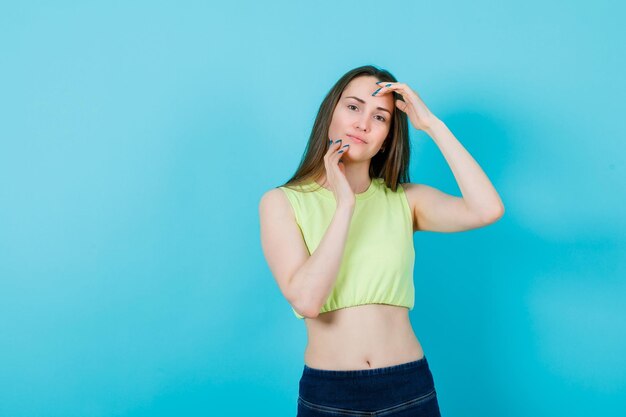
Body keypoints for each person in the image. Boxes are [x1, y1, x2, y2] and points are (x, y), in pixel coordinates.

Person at [259, 65, 504, 416]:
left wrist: (432, 126)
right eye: (353, 107)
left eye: (381, 117)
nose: (363, 124)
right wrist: (345, 205)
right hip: (329, 394)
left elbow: (487, 209)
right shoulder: (281, 202)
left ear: (388, 136)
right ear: (330, 114)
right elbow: (308, 300)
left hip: (408, 389)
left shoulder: (405, 199)